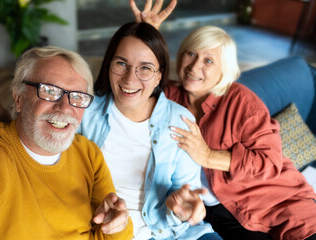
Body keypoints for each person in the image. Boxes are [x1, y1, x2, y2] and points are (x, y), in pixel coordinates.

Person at [0, 23, 221, 239]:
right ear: (108, 66)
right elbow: (27, 133)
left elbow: (186, 195)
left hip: (170, 232)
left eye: (145, 68)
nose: (130, 79)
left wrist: (183, 209)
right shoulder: (83, 108)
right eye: (121, 64)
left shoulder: (180, 120)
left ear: (159, 76)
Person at [130, 1, 316, 240]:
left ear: (223, 69)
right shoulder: (170, 96)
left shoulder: (241, 102)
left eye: (208, 60)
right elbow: (141, 80)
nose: (195, 65)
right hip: (218, 212)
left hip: (279, 200)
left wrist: (207, 155)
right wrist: (147, 36)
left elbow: (269, 163)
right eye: (191, 53)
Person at [0, 46, 133, 240]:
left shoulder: (89, 153)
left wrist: (117, 224)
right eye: (50, 91)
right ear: (19, 99)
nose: (65, 108)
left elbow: (109, 233)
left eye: (77, 96)